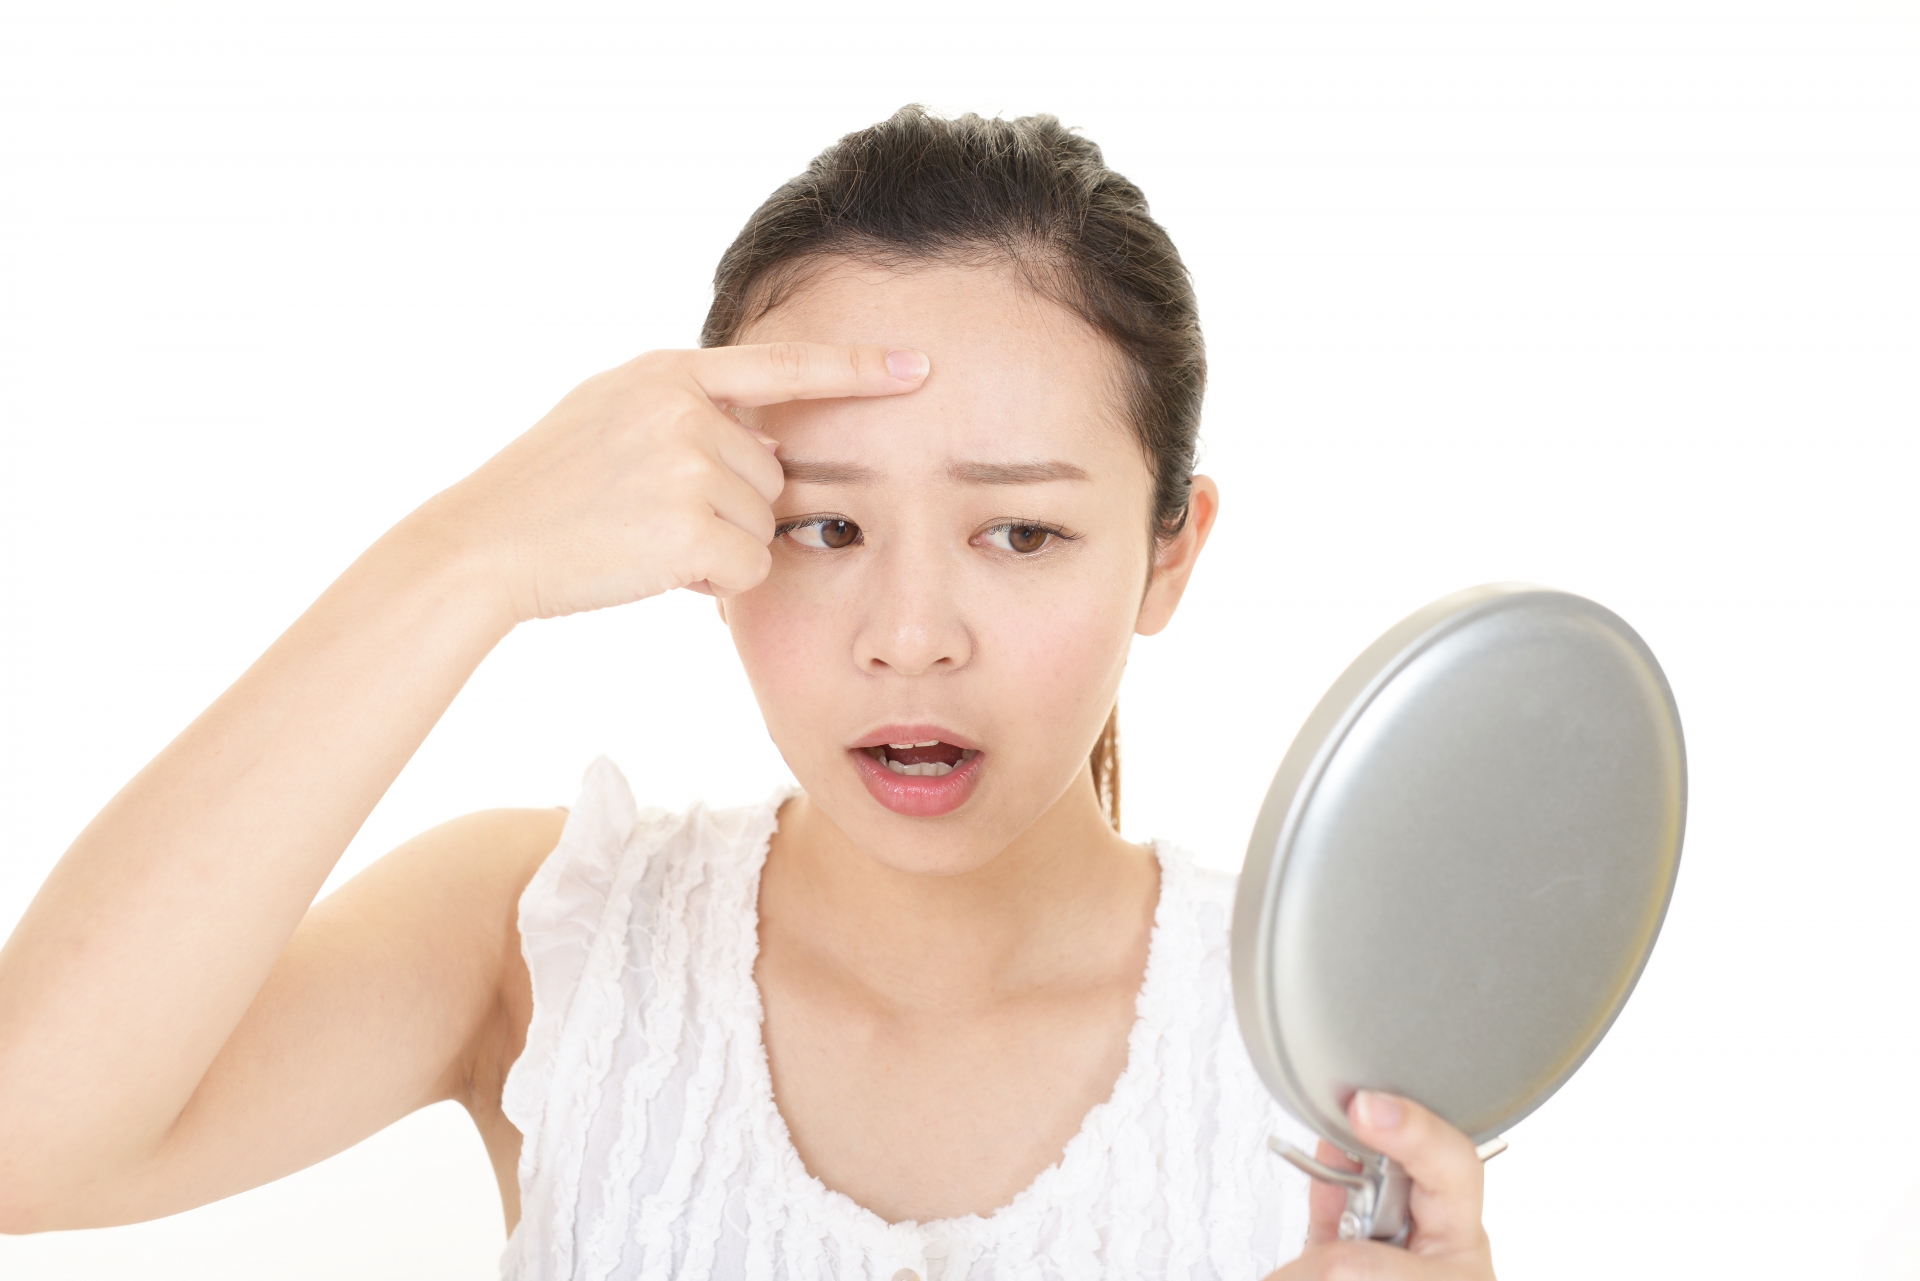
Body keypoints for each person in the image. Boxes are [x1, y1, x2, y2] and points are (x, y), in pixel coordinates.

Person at [0, 108, 1498, 1280]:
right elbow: (26, 1141)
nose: (909, 638)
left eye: (1021, 533)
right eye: (823, 527)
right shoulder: (545, 935)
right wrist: (469, 554)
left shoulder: (1332, 1042)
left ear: (1171, 553)